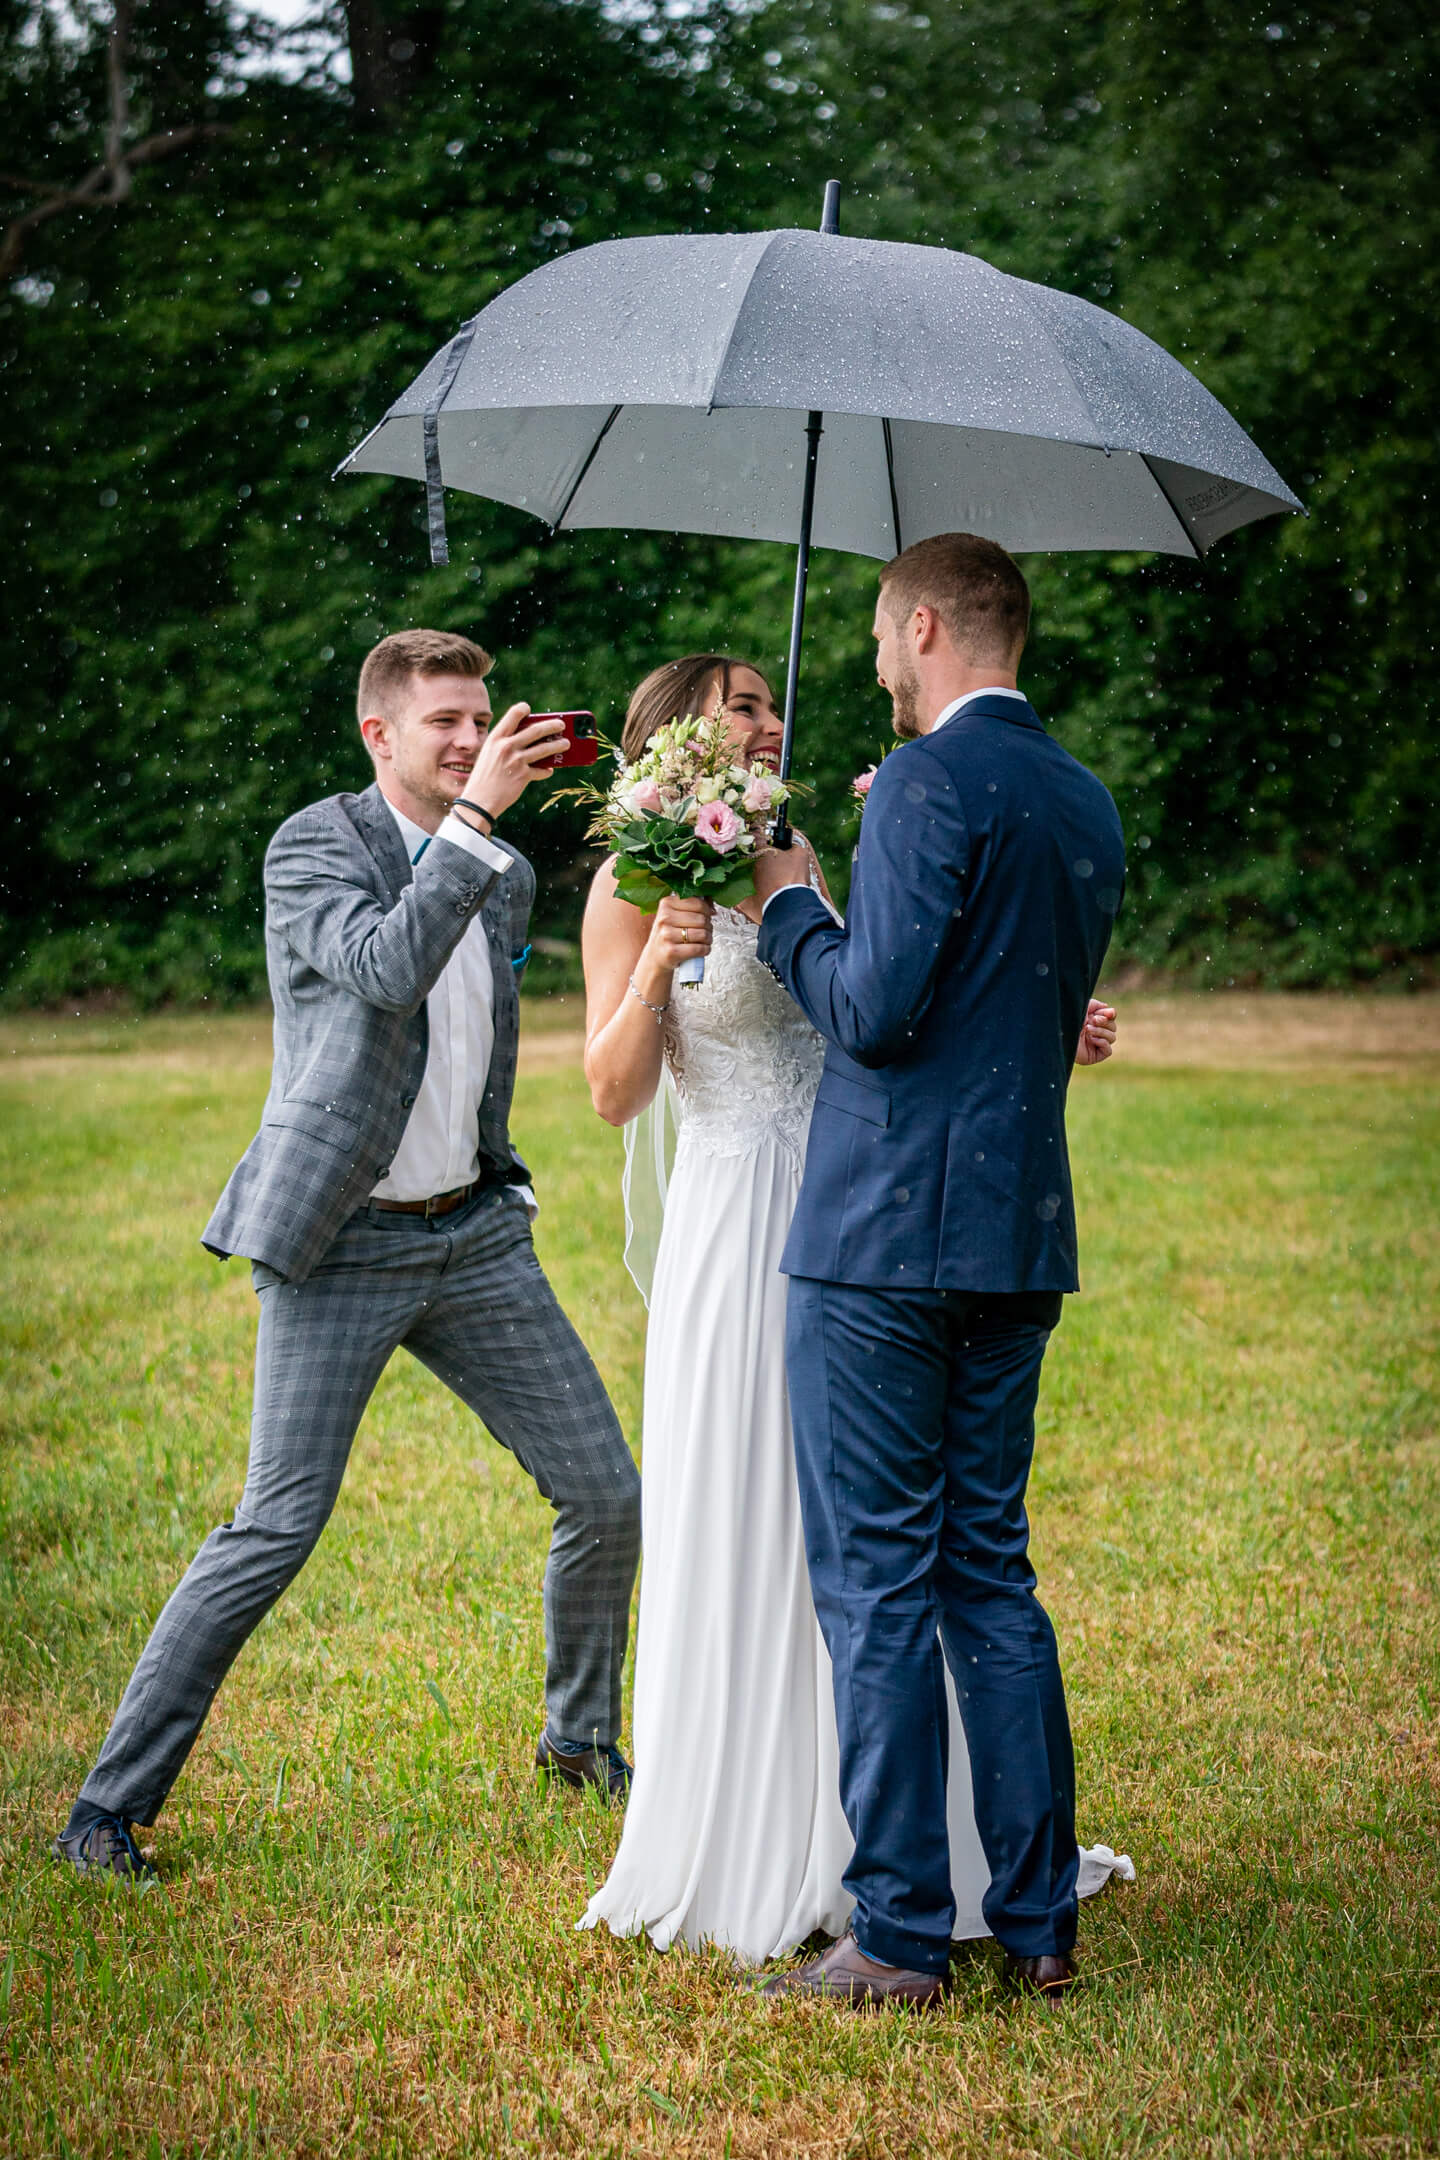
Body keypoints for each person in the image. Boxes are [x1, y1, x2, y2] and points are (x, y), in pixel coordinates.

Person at [53, 629, 642, 1880]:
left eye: (480, 717)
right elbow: (385, 971)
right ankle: (105, 1810)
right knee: (273, 1528)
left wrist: (497, 1168)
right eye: (444, 723)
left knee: (604, 1494)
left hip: (473, 1232)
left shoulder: (505, 871)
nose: (473, 739)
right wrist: (476, 821)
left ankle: (580, 1744)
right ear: (379, 734)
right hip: (343, 1239)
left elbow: (476, 1041)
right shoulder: (314, 846)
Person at [575, 643, 1126, 1968]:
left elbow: (886, 1014)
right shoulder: (629, 881)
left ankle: (875, 1842)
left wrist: (1039, 1014)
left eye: (769, 704)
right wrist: (658, 964)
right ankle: (750, 1825)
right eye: (740, 708)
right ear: (676, 746)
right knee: (769, 1517)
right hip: (730, 1233)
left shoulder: (810, 856)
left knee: (875, 1551)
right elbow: (612, 1089)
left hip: (854, 1217)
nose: (768, 722)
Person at [750, 533, 1128, 2009]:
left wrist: (794, 895)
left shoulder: (921, 783)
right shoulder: (1080, 795)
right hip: (1016, 1231)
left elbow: (877, 1010)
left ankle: (901, 1930)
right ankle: (1037, 1918)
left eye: (877, 637)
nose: (872, 663)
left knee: (881, 1589)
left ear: (925, 624)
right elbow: (1008, 1008)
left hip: (882, 1245)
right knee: (992, 1579)